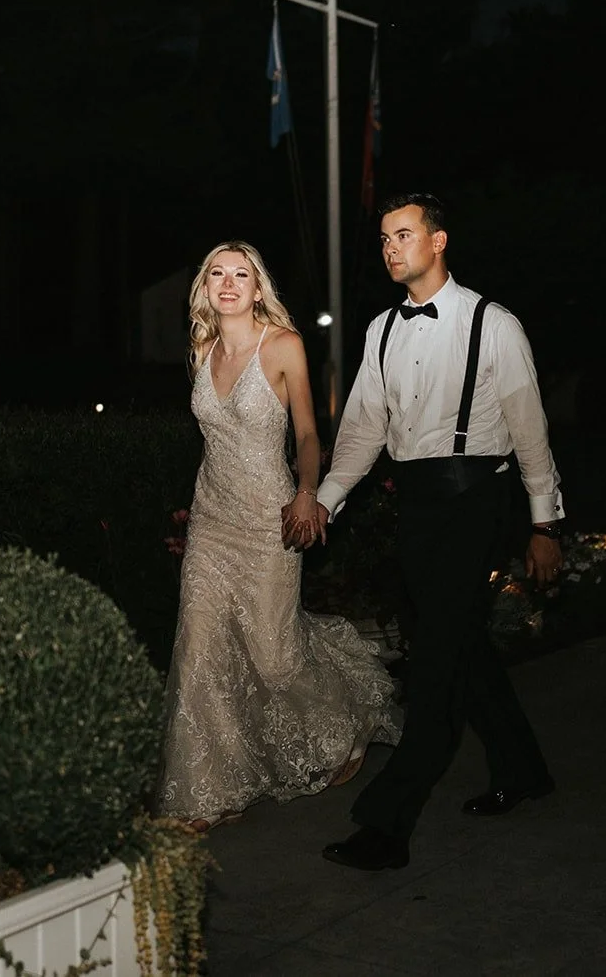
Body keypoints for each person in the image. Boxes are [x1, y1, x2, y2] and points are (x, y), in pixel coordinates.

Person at [298, 193, 564, 871]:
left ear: (439, 240)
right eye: (384, 238)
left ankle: (387, 823)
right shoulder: (381, 329)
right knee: (460, 643)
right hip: (415, 509)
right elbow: (361, 430)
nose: (391, 247)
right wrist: (326, 499)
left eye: (404, 234)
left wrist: (544, 523)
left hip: (477, 502)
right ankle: (523, 768)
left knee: (438, 660)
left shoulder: (493, 323)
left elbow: (531, 430)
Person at [154, 240, 400, 833]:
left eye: (243, 274)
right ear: (205, 288)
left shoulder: (284, 346)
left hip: (270, 520)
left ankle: (347, 727)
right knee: (199, 649)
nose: (230, 283)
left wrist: (307, 491)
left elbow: (310, 436)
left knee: (274, 655)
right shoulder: (202, 347)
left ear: (259, 288)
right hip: (211, 518)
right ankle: (213, 790)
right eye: (218, 274)